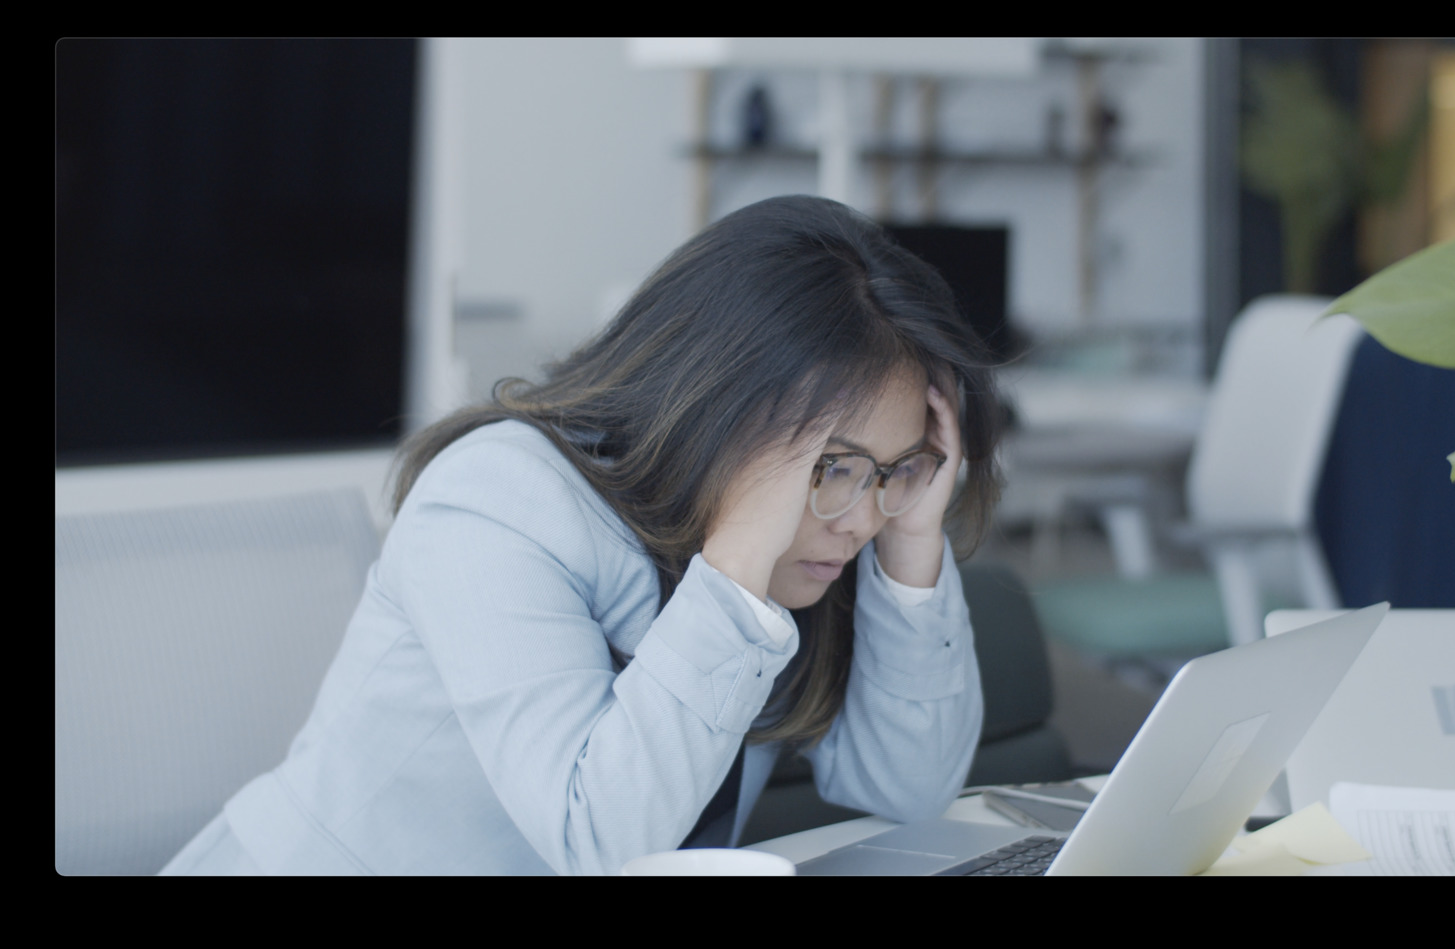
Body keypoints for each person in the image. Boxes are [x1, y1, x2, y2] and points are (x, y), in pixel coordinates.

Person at [161, 194, 1006, 875]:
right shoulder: (499, 496)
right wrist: (741, 558)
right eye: (832, 466)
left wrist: (911, 543)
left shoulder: (837, 527)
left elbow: (909, 787)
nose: (860, 517)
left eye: (897, 469)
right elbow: (599, 838)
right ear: (716, 410)